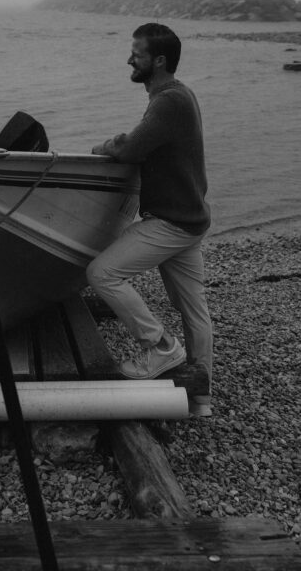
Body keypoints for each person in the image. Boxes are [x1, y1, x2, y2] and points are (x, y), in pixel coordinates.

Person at [86, 23, 213, 417]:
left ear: (158, 60)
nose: (130, 59)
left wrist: (103, 146)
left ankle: (159, 348)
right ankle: (200, 398)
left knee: (102, 273)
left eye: (136, 53)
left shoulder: (168, 100)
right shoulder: (179, 95)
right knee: (193, 309)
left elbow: (131, 147)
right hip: (192, 219)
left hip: (172, 223)